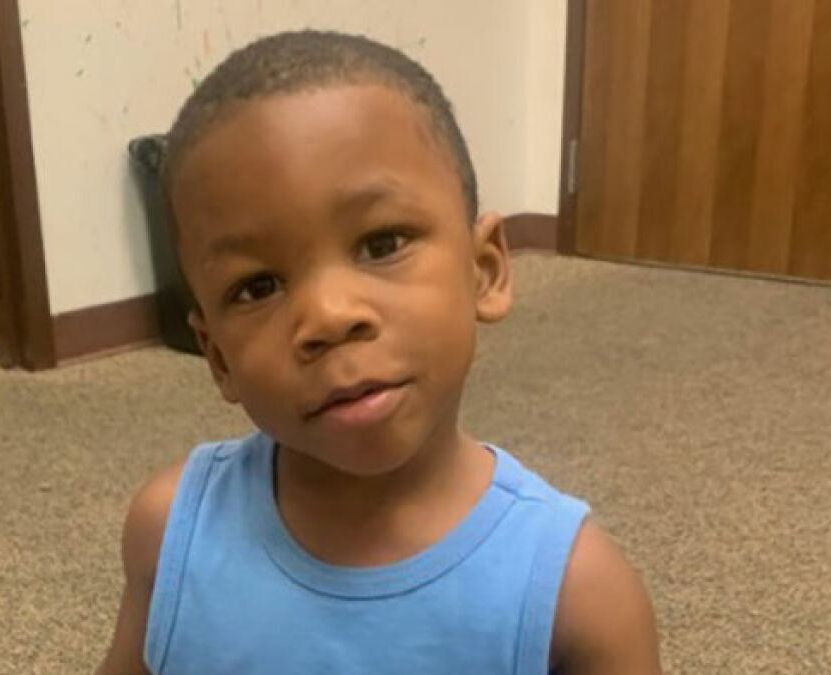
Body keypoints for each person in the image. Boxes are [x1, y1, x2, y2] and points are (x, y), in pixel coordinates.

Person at [97, 30, 660, 675]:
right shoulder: (172, 534)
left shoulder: (577, 593)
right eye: (258, 286)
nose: (330, 318)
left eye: (382, 242)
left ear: (485, 271)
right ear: (217, 357)